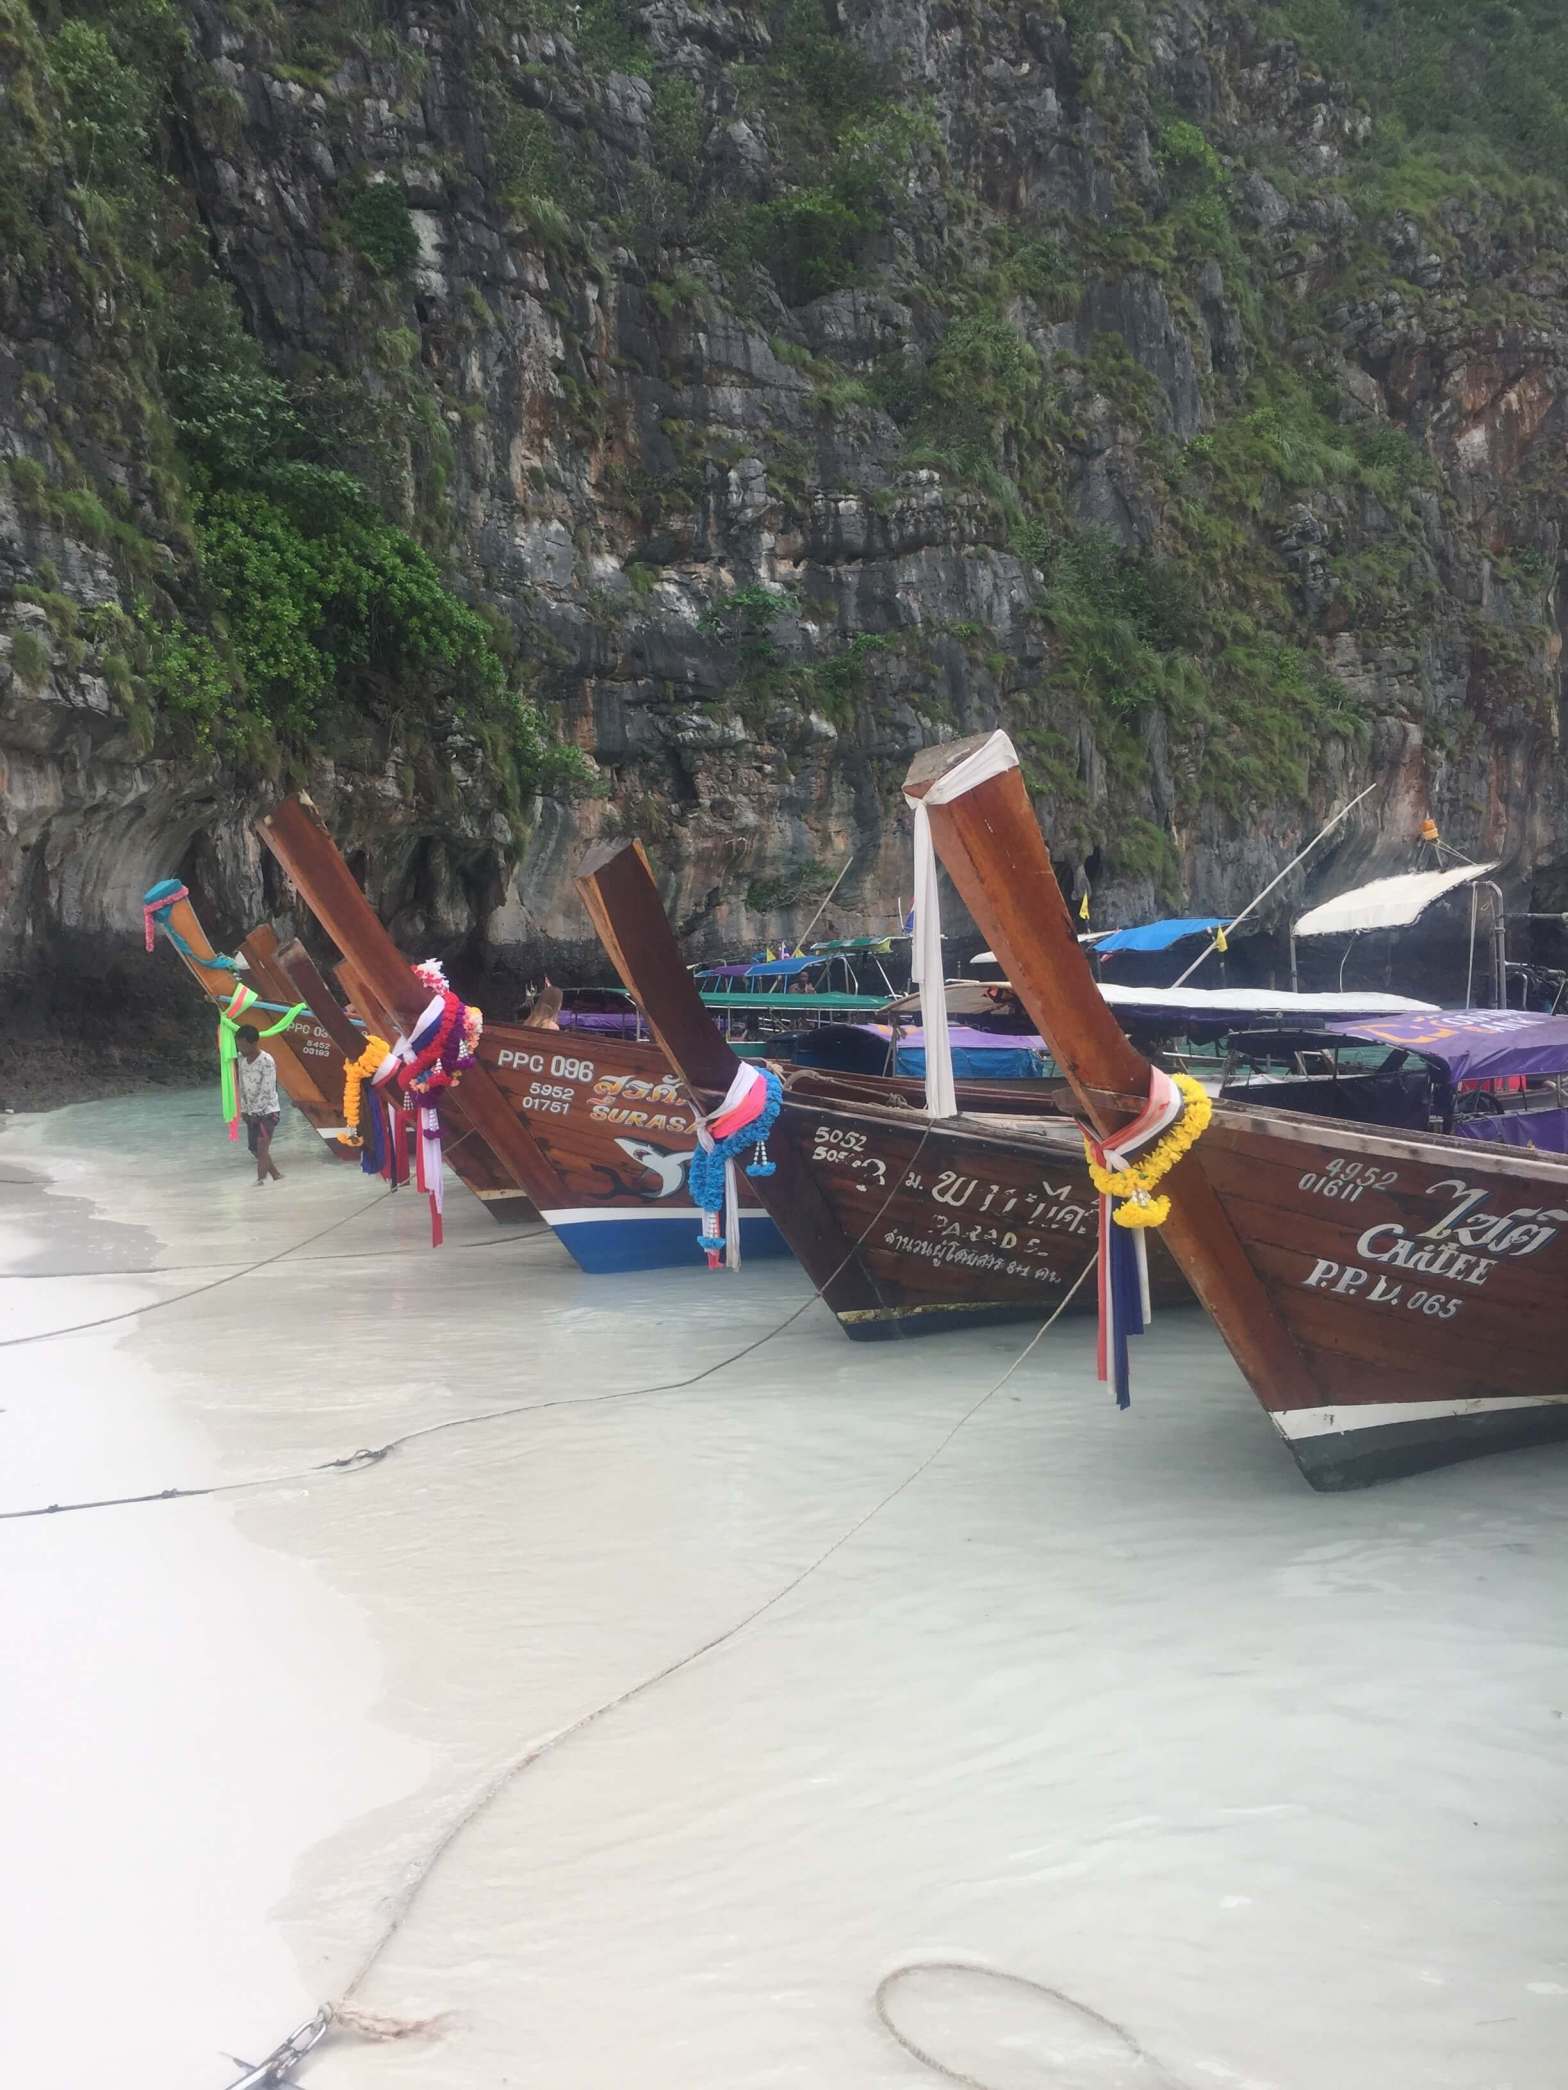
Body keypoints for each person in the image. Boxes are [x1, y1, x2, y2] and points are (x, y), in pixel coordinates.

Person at [235, 1023, 283, 1185]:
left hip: (268, 1111)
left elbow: (267, 1090)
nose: (240, 1049)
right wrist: (245, 1109)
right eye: (238, 1045)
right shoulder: (241, 1061)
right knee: (254, 1148)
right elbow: (242, 1086)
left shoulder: (267, 1061)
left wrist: (256, 1112)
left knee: (262, 1146)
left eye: (243, 1045)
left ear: (254, 1043)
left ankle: (260, 1181)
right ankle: (276, 1175)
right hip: (251, 1112)